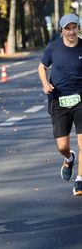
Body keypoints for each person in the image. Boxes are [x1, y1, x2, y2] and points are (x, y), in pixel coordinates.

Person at [38, 14, 82, 196]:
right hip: (59, 100)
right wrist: (45, 84)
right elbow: (42, 67)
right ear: (61, 30)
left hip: (81, 99)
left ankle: (80, 180)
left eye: (74, 27)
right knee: (62, 146)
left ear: (78, 28)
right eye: (68, 28)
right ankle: (69, 158)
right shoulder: (53, 47)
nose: (71, 31)